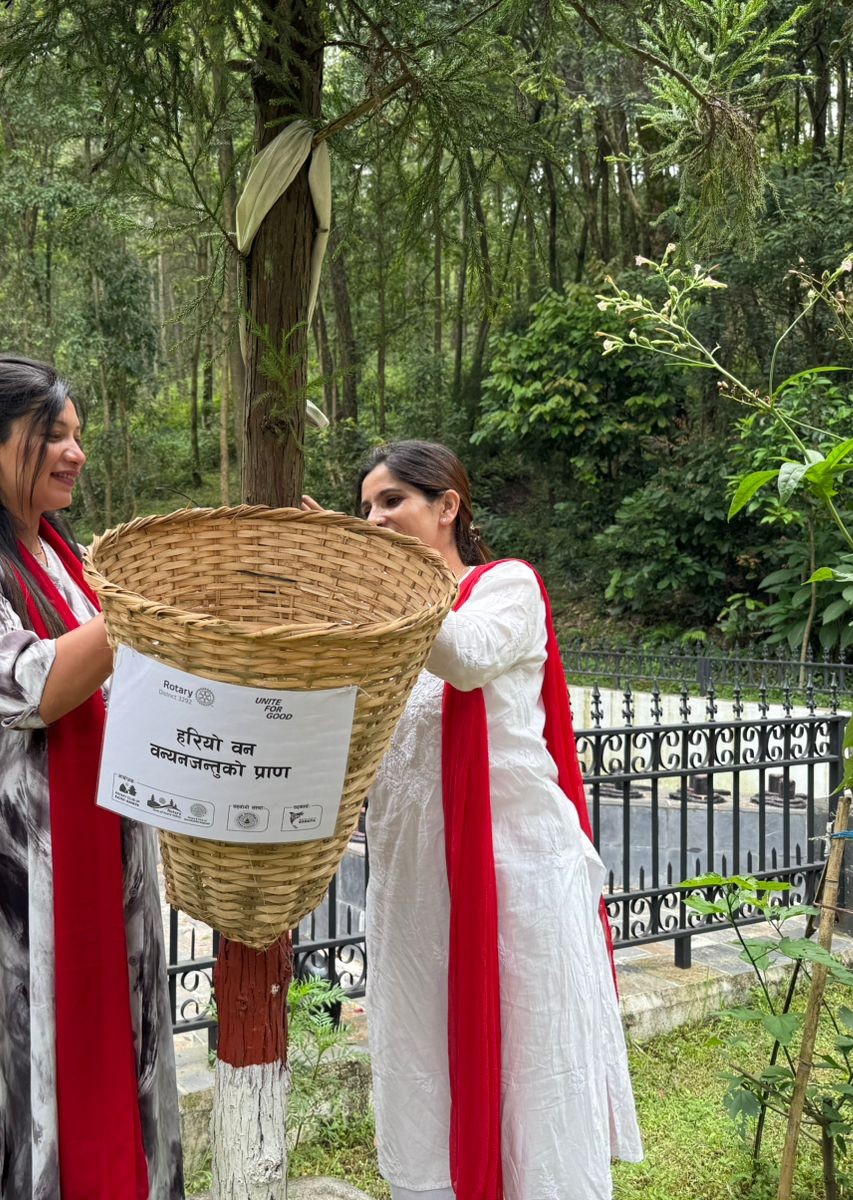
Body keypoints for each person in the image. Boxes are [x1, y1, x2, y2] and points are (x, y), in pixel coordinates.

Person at [306, 440, 642, 1200]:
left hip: (513, 880)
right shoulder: (384, 621)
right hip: (415, 884)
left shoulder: (506, 587)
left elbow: (463, 656)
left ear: (447, 506)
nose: (374, 518)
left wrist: (367, 571)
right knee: (422, 1058)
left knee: (528, 1065)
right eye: (364, 508)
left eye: (390, 501)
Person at [0, 355, 184, 1200]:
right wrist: (138, 606)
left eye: (78, 435)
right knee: (0, 1110)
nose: (74, 451)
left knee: (102, 1080)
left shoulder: (71, 561)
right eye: (52, 433)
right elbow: (36, 684)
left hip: (92, 872)